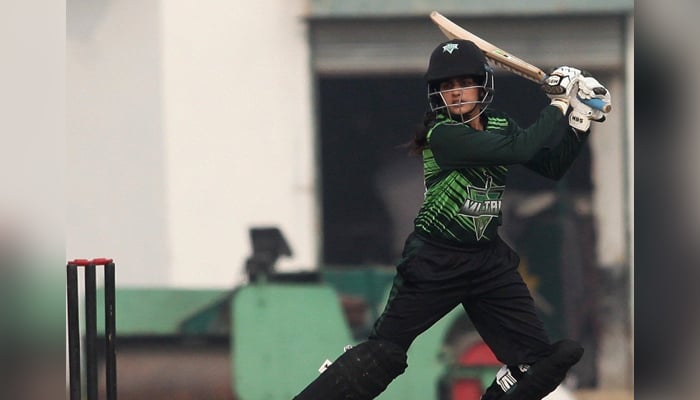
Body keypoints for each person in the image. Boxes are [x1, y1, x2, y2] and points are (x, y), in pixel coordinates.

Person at [293, 39, 611, 400]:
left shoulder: (499, 124)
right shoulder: (443, 133)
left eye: (463, 83)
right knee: (384, 355)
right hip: (435, 260)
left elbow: (550, 166)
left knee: (543, 363)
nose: (456, 93)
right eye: (447, 87)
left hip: (489, 261)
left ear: (481, 85)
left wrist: (580, 120)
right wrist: (558, 101)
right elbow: (521, 148)